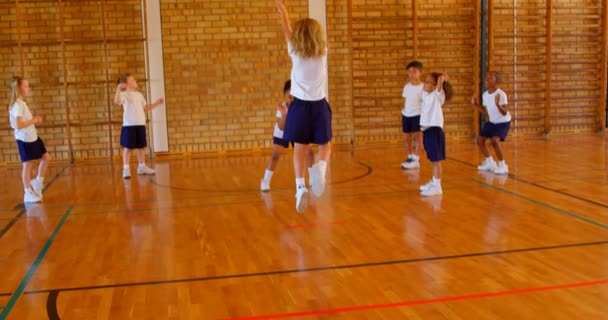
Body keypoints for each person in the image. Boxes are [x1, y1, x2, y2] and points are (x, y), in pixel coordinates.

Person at [275, 0, 332, 212]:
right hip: (319, 106)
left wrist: (283, 11)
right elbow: (309, 36)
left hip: (299, 107)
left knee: (299, 148)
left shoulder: (294, 51)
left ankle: (300, 187)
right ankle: (321, 169)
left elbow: (286, 28)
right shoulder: (323, 51)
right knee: (325, 145)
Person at [260, 80, 315, 192]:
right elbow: (281, 127)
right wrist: (285, 114)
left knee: (309, 152)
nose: (291, 99)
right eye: (289, 97)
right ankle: (265, 180)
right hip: (282, 132)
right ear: (285, 96)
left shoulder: (301, 108)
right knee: (275, 155)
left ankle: (313, 178)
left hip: (297, 132)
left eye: (294, 97)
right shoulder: (283, 108)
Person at [8, 76, 51, 203]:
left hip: (33, 137)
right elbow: (19, 124)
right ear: (19, 88)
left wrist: (33, 122)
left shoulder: (21, 103)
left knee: (46, 157)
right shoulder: (17, 105)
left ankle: (38, 181)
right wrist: (34, 120)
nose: (28, 88)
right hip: (25, 139)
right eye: (26, 86)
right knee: (27, 166)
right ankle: (27, 192)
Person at [114, 73, 164, 179]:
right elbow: (117, 101)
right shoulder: (124, 94)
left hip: (140, 124)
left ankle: (142, 167)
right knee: (128, 148)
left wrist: (156, 103)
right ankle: (126, 169)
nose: (135, 81)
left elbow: (145, 108)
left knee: (141, 147)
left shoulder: (139, 95)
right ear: (126, 84)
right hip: (129, 125)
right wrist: (119, 87)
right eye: (132, 80)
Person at [419, 72, 453, 196]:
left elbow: (439, 86)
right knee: (432, 160)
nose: (425, 83)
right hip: (427, 131)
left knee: (436, 161)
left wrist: (442, 79)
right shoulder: (425, 94)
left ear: (435, 86)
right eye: (425, 81)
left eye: (429, 82)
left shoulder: (437, 95)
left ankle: (437, 186)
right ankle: (434, 182)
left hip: (434, 131)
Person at [471, 71, 511, 175]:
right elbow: (486, 111)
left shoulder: (501, 94)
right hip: (492, 121)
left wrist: (497, 104)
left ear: (496, 81)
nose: (487, 80)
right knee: (480, 140)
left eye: (490, 78)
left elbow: (504, 112)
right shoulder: (485, 95)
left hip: (502, 122)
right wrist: (475, 105)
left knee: (494, 141)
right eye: (486, 78)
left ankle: (503, 165)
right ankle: (490, 162)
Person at [400, 61, 424, 169]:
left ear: (420, 72)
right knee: (407, 138)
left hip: (418, 115)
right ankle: (410, 157)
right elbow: (405, 100)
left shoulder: (423, 88)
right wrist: (404, 110)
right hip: (406, 115)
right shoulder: (406, 87)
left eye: (414, 72)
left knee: (418, 138)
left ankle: (416, 158)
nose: (412, 74)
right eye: (409, 72)